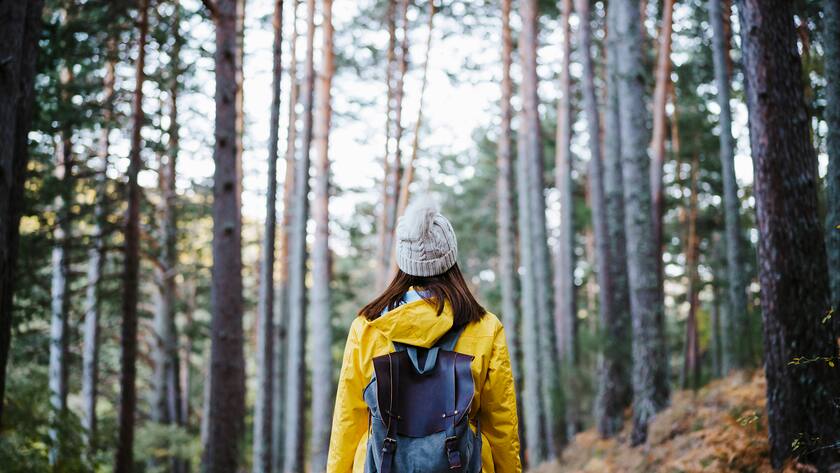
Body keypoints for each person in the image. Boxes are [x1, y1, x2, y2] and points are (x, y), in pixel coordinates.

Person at [326, 195, 521, 473]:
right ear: (450, 258)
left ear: (403, 261)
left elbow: (348, 421)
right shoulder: (485, 327)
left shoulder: (368, 327)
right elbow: (501, 423)